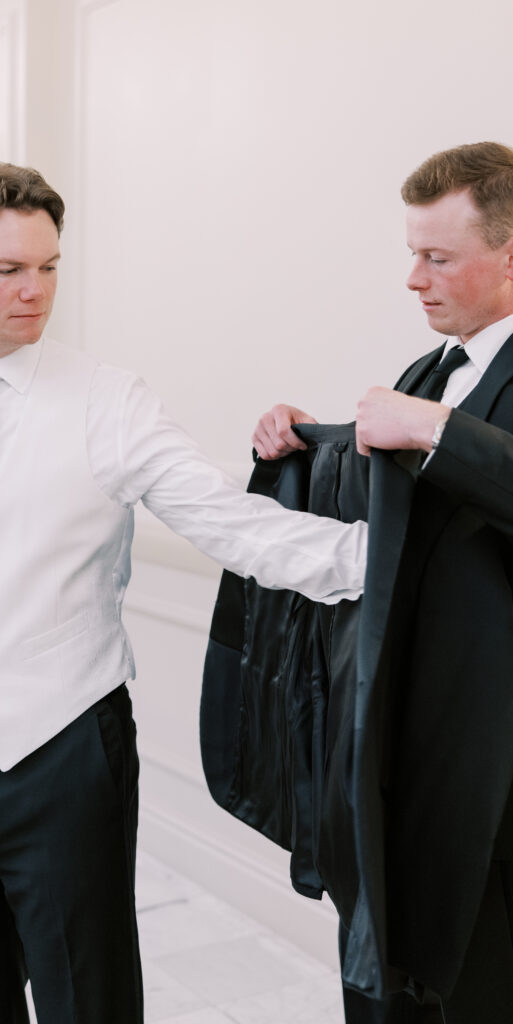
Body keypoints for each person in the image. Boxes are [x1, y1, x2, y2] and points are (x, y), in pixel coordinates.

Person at [0, 160, 367, 1024]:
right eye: (10, 270)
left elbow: (229, 524)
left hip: (69, 755)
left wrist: (380, 561)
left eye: (50, 267)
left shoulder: (110, 401)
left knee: (88, 1002)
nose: (38, 291)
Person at [252, 141, 513, 1024]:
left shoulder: (431, 400)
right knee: (393, 966)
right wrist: (304, 439)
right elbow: (392, 518)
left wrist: (438, 432)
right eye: (413, 253)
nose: (413, 278)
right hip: (396, 741)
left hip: (497, 768)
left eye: (435, 257)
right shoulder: (426, 372)